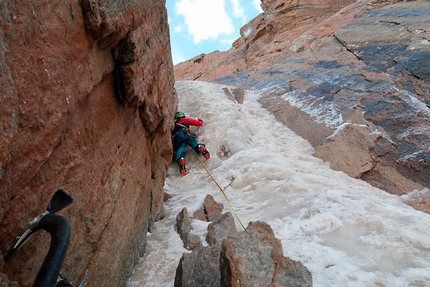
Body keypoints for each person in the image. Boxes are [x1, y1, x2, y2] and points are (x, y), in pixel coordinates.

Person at [171, 111, 210, 176]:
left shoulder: (175, 125)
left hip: (179, 139)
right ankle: (199, 147)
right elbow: (199, 123)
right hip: (187, 135)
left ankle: (181, 159)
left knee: (181, 148)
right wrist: (200, 121)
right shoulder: (185, 120)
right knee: (193, 143)